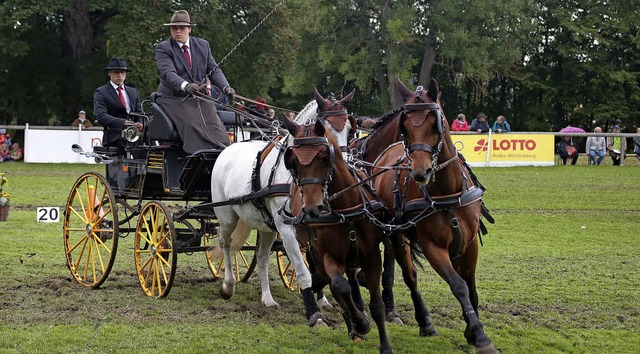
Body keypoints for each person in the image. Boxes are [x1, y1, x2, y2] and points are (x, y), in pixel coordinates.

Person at [155, 9, 235, 154]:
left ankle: (222, 154)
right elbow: (168, 74)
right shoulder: (163, 48)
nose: (178, 31)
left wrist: (226, 87)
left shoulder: (203, 45)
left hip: (199, 97)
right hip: (173, 98)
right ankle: (197, 158)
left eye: (181, 27)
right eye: (174, 28)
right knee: (191, 124)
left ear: (189, 29)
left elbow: (214, 70)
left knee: (215, 125)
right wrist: (186, 86)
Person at [94, 58, 143, 148]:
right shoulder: (101, 92)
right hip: (114, 137)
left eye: (122, 72)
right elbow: (101, 116)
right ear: (109, 73)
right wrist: (124, 123)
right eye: (116, 72)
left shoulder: (133, 92)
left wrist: (140, 124)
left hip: (135, 136)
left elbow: (139, 114)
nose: (120, 75)